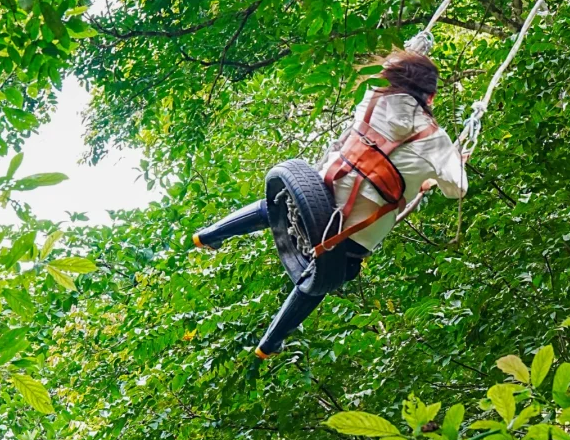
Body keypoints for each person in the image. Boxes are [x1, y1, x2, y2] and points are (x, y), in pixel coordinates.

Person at [193, 49, 468, 357]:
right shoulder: (436, 140)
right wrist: (452, 164)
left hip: (315, 199)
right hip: (347, 240)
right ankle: (270, 342)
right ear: (430, 97)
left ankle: (209, 234)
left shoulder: (373, 97)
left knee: (277, 207)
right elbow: (457, 189)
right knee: (328, 276)